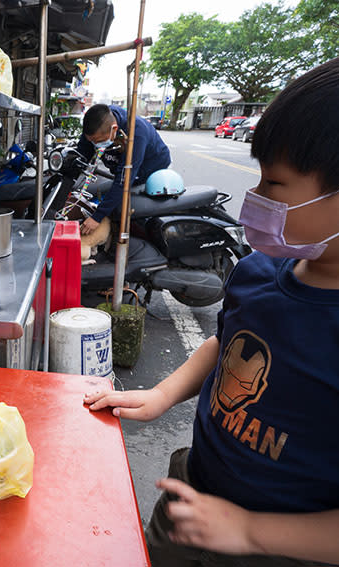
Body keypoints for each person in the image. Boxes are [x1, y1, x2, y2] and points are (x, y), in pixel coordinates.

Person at [84, 58, 339, 566]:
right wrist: (162, 394)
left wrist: (250, 531)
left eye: (276, 185)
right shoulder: (258, 272)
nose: (256, 198)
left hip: (279, 548)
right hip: (191, 493)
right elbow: (226, 344)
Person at [75, 104, 171, 259]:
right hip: (123, 168)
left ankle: (146, 250)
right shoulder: (95, 125)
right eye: (91, 140)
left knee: (130, 207)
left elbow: (123, 180)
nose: (95, 144)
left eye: (98, 141)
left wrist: (97, 217)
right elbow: (81, 155)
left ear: (114, 129)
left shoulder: (136, 133)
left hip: (150, 169)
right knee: (103, 195)